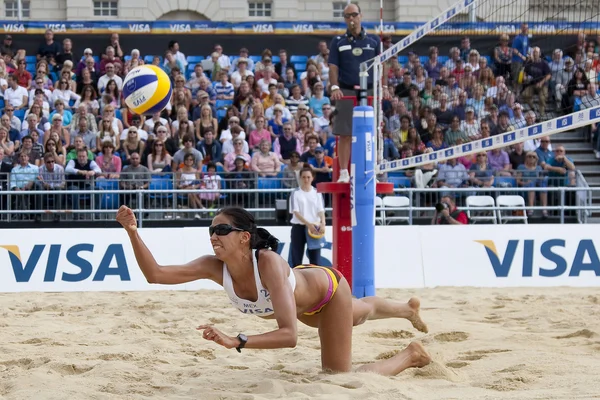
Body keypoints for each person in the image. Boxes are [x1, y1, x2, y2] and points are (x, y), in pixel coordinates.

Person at [116, 205, 430, 374]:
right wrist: (132, 232)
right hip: (301, 299)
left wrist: (236, 340)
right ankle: (407, 309)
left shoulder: (267, 262)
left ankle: (411, 355)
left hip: (327, 292)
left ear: (243, 237)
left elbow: (289, 336)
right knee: (357, 315)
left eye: (222, 229)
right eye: (211, 230)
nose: (214, 235)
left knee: (339, 375)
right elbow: (155, 275)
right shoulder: (214, 266)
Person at [328, 3, 389, 183]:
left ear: (361, 16)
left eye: (354, 15)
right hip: (346, 90)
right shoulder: (338, 41)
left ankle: (371, 171)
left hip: (369, 91)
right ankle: (344, 173)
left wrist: (384, 87)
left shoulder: (374, 41)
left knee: (371, 132)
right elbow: (333, 66)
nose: (351, 19)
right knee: (345, 133)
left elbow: (382, 65)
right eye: (347, 16)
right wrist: (334, 87)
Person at [289, 166, 327, 267]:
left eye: (308, 177)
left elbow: (321, 210)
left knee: (315, 260)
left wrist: (323, 223)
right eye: (304, 177)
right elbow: (295, 212)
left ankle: (316, 282)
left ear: (312, 178)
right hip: (299, 227)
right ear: (300, 178)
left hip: (314, 227)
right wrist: (308, 224)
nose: (306, 180)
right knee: (296, 259)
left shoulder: (316, 193)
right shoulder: (295, 193)